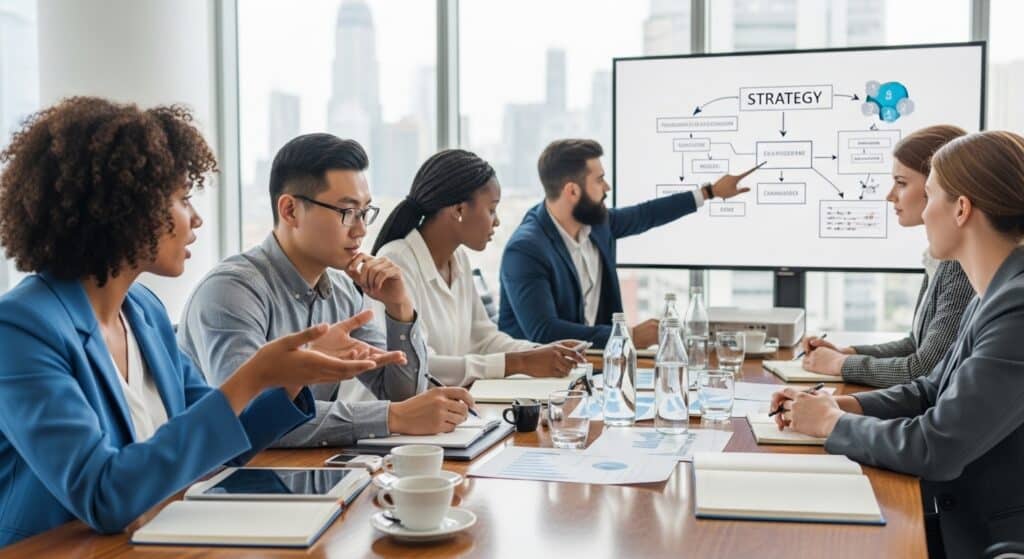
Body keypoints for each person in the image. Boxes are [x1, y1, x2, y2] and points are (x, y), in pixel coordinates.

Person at [0, 97, 382, 547]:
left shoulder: (143, 311)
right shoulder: (21, 329)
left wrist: (290, 378)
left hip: (159, 541)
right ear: (125, 208)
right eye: (183, 199)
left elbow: (225, 440)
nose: (196, 218)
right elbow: (103, 494)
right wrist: (251, 376)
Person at [772, 130, 1024, 557]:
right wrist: (837, 406)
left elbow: (937, 446)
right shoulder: (993, 292)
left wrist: (830, 425)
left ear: (961, 208)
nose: (924, 215)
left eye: (929, 197)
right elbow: (930, 390)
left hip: (983, 535)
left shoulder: (1016, 306)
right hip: (954, 510)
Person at [178, 134, 476, 446]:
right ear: (291, 210)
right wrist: (392, 417)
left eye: (365, 212)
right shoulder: (231, 292)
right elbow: (251, 419)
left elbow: (404, 395)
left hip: (304, 472)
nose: (360, 229)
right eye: (347, 212)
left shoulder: (343, 291)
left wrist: (399, 308)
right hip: (228, 479)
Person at [498, 138, 759, 348]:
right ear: (572, 191)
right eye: (599, 180)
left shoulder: (596, 224)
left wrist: (709, 192)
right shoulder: (526, 250)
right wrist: (628, 336)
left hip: (591, 368)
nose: (607, 187)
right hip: (537, 385)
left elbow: (646, 214)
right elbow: (543, 332)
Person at [371, 149, 586, 387]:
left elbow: (484, 339)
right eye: (491, 209)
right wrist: (520, 362)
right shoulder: (397, 261)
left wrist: (542, 352)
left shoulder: (458, 258)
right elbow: (418, 366)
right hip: (388, 419)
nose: (497, 221)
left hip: (445, 411)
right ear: (459, 210)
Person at [800, 125, 974, 387]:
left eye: (901, 183)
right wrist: (847, 353)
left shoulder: (961, 266)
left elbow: (924, 368)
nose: (890, 196)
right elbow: (915, 344)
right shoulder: (938, 257)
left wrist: (840, 365)